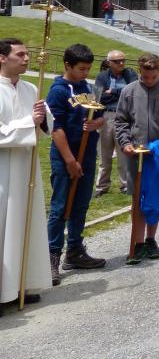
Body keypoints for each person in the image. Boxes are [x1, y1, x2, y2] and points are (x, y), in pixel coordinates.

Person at [113, 53, 159, 264]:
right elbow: (121, 121)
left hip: (158, 154)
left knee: (155, 198)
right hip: (135, 154)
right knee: (137, 198)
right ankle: (137, 241)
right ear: (140, 72)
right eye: (145, 77)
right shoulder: (129, 91)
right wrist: (125, 143)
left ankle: (151, 239)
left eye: (153, 77)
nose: (150, 81)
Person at [46, 43, 106, 283]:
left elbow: (99, 115)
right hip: (66, 157)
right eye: (81, 68)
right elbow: (55, 128)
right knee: (61, 207)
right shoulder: (58, 91)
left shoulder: (87, 88)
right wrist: (70, 160)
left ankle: (75, 251)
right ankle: (52, 255)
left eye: (89, 68)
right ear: (67, 65)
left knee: (81, 204)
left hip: (88, 154)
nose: (85, 73)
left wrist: (96, 124)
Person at [0, 38, 51, 310]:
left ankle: (23, 283)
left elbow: (45, 124)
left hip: (27, 168)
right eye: (20, 54)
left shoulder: (32, 88)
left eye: (28, 54)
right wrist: (27, 123)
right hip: (3, 170)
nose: (27, 59)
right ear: (2, 58)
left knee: (26, 224)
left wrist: (43, 119)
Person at [93, 50, 137, 197]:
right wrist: (120, 92)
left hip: (124, 116)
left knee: (124, 152)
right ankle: (102, 186)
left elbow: (133, 92)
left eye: (123, 60)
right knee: (104, 154)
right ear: (109, 63)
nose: (121, 63)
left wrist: (113, 91)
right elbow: (98, 97)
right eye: (117, 61)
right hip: (106, 116)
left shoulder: (130, 74)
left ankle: (125, 185)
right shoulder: (102, 76)